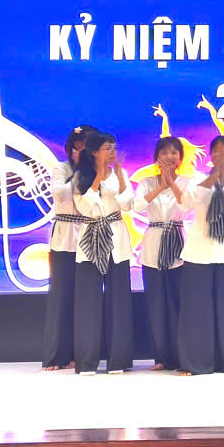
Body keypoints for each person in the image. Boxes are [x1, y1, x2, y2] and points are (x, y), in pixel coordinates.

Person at [177, 136, 224, 375]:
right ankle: (195, 362)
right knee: (197, 312)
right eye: (217, 151)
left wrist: (223, 174)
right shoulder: (198, 178)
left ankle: (222, 360)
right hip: (199, 254)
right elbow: (189, 200)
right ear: (210, 155)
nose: (222, 155)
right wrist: (212, 176)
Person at [70, 131, 135, 375]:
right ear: (95, 152)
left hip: (117, 238)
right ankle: (87, 361)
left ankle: (118, 360)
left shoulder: (120, 174)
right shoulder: (81, 176)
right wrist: (97, 179)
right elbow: (84, 207)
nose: (112, 152)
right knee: (89, 303)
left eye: (114, 148)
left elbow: (127, 204)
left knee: (118, 302)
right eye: (108, 148)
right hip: (91, 240)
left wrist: (119, 176)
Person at [41, 124, 95, 371]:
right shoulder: (61, 169)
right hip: (64, 235)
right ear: (72, 147)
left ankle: (82, 354)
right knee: (61, 296)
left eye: (88, 145)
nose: (83, 149)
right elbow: (59, 194)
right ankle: (57, 355)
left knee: (85, 298)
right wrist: (78, 172)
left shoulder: (98, 172)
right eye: (79, 145)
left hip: (89, 235)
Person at [134, 136, 189, 371]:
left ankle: (182, 355)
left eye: (174, 152)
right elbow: (137, 206)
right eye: (164, 152)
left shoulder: (188, 182)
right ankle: (161, 356)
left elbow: (186, 206)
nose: (169, 156)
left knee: (178, 302)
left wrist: (172, 183)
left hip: (178, 243)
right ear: (157, 157)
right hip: (153, 243)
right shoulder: (146, 183)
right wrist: (160, 186)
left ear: (180, 157)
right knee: (156, 303)